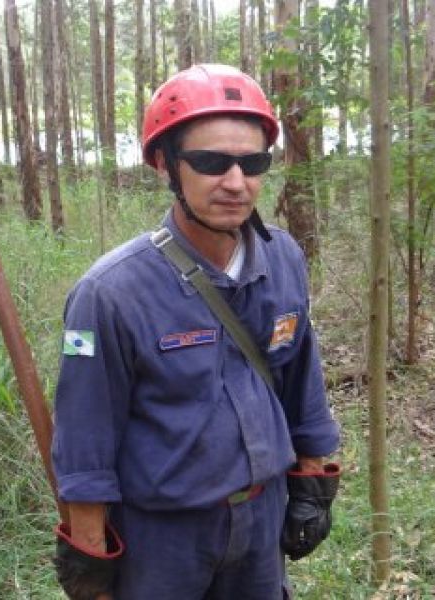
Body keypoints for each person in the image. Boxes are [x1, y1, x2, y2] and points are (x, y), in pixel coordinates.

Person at [50, 64, 341, 599]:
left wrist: (313, 474)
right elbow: (85, 437)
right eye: (210, 163)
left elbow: (301, 373)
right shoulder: (111, 292)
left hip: (262, 518)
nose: (236, 182)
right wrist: (89, 557)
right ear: (165, 163)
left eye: (253, 162)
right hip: (163, 535)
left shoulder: (283, 260)